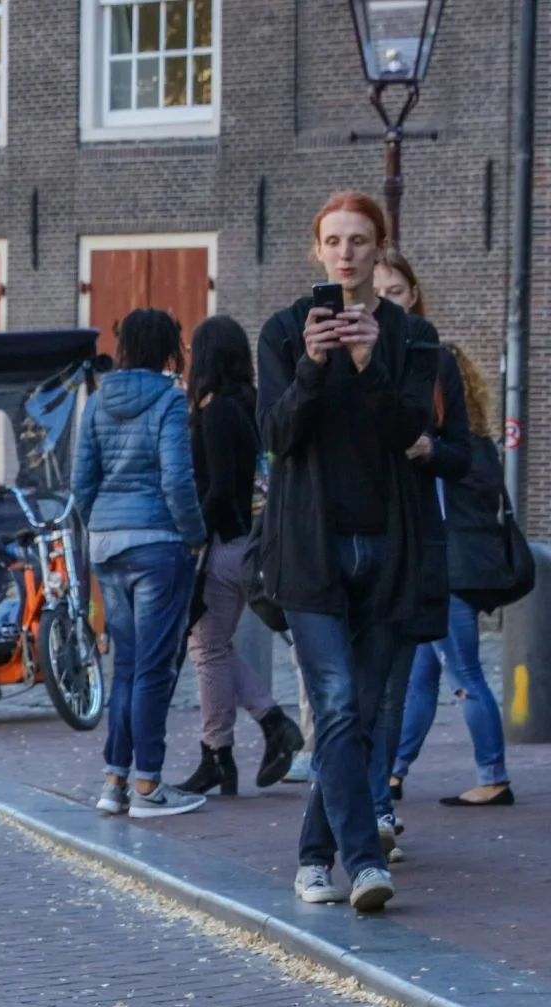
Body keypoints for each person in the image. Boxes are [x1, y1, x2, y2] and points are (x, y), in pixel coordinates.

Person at [257, 192, 459, 913]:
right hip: (310, 552)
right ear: (318, 251)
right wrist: (313, 367)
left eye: (360, 241)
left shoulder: (413, 338)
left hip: (388, 548)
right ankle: (366, 862)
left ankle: (314, 859)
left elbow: (409, 431)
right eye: (334, 241)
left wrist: (370, 363)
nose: (346, 253)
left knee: (363, 716)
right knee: (336, 703)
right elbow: (277, 438)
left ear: (380, 250)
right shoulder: (284, 333)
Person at [74, 308, 207, 820]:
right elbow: (177, 480)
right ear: (168, 349)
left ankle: (114, 782)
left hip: (107, 545)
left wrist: (100, 526)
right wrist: (193, 535)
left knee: (125, 665)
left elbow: (81, 482)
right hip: (157, 544)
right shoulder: (171, 403)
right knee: (154, 667)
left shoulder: (96, 402)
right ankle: (149, 785)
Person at [364, 248, 474, 859]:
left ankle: (378, 807)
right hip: (347, 538)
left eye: (398, 292)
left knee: (393, 687)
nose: (387, 303)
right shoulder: (337, 356)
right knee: (345, 690)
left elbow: (465, 457)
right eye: (378, 293)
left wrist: (430, 448)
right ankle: (348, 813)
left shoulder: (436, 364)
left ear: (414, 298)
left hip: (414, 538)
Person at [176, 316, 305, 796]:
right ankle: (257, 735)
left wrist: (195, 536)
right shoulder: (254, 405)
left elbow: (221, 488)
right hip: (256, 541)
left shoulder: (214, 412)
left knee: (207, 649)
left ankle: (224, 752)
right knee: (217, 648)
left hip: (225, 545)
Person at [389, 345, 515, 809]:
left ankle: (494, 775)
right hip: (455, 574)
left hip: (448, 576)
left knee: (464, 675)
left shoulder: (449, 453)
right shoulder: (482, 446)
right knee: (423, 676)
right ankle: (393, 771)